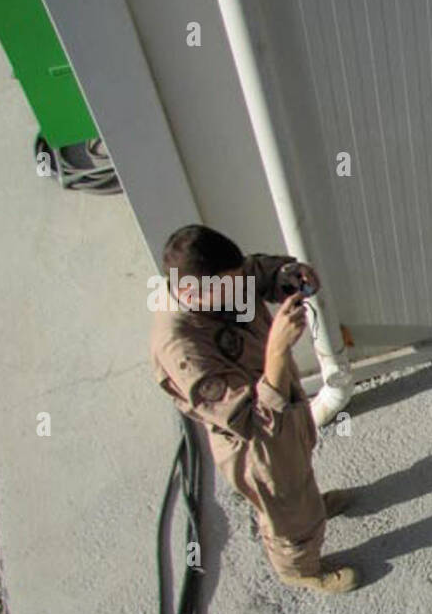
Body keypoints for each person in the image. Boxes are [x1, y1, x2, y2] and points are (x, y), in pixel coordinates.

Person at [150, 224, 359, 593]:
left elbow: (256, 273)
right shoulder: (182, 349)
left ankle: (309, 506)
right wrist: (278, 350)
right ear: (188, 293)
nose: (241, 290)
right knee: (284, 510)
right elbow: (250, 420)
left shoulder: (215, 285)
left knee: (298, 480)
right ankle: (301, 569)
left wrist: (286, 275)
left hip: (284, 411)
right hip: (255, 444)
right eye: (229, 287)